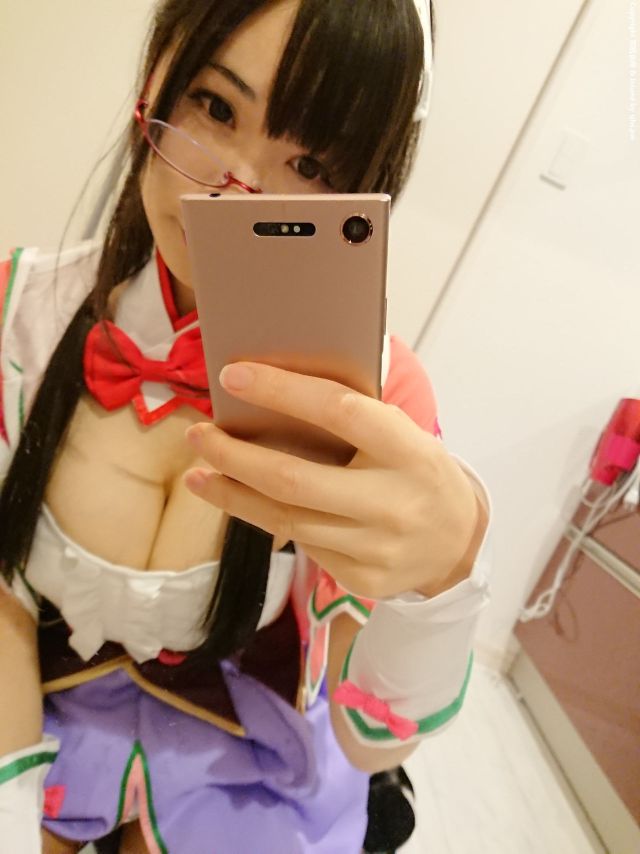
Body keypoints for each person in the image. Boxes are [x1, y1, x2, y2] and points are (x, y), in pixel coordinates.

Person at [0, 0, 492, 851]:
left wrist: (441, 585)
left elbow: (369, 741)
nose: (235, 189)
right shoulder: (25, 316)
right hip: (40, 712)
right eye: (216, 107)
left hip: (237, 750)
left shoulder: (368, 399)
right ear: (157, 77)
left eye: (309, 160)